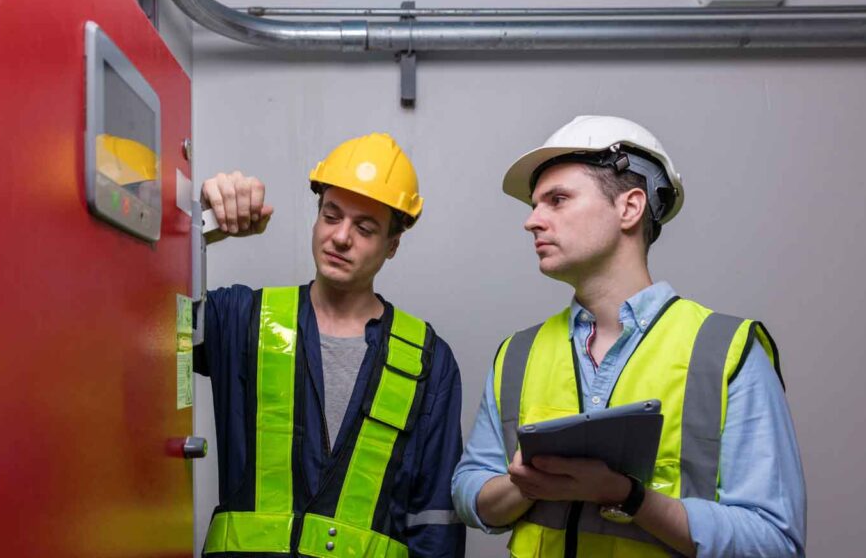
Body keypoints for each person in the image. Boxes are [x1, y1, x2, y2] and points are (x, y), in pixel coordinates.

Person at [452, 116, 806, 557]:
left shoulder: (725, 352)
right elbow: (469, 490)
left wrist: (629, 496)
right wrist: (527, 485)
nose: (532, 221)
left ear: (630, 208)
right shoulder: (518, 355)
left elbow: (773, 543)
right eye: (534, 205)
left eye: (557, 200)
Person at [194, 133, 466, 558]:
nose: (340, 237)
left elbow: (435, 522)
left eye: (365, 228)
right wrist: (197, 228)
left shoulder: (427, 358)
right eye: (331, 215)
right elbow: (125, 323)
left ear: (392, 245)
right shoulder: (239, 317)